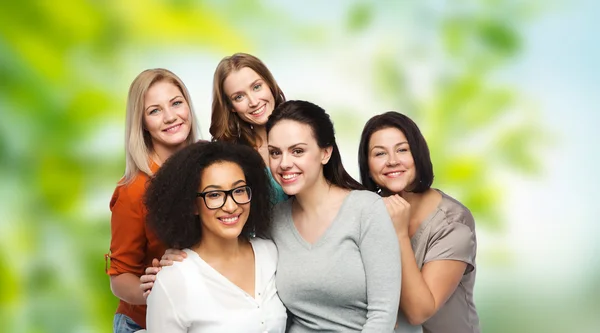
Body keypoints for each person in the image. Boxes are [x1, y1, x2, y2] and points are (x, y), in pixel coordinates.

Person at [266, 100, 401, 332]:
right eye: (275, 153)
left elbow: (383, 314)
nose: (284, 163)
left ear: (325, 153)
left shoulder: (366, 209)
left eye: (297, 151)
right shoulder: (274, 220)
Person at [144, 141, 287, 332]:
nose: (231, 206)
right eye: (214, 195)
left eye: (238, 190)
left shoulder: (270, 254)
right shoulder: (173, 280)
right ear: (192, 205)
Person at [357, 111, 480, 333]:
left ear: (418, 154)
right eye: (379, 153)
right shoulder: (366, 211)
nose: (392, 161)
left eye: (402, 150)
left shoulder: (454, 223)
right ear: (367, 164)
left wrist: (400, 234)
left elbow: (418, 312)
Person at [106, 68, 200, 332]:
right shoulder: (134, 189)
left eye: (176, 103)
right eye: (155, 110)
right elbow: (120, 278)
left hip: (199, 318)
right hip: (143, 324)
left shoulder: (209, 166)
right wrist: (154, 287)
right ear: (142, 123)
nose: (170, 117)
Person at [210, 52, 288, 204]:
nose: (253, 102)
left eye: (257, 87)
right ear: (231, 107)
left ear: (270, 84)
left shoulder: (307, 132)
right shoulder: (229, 158)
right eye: (239, 97)